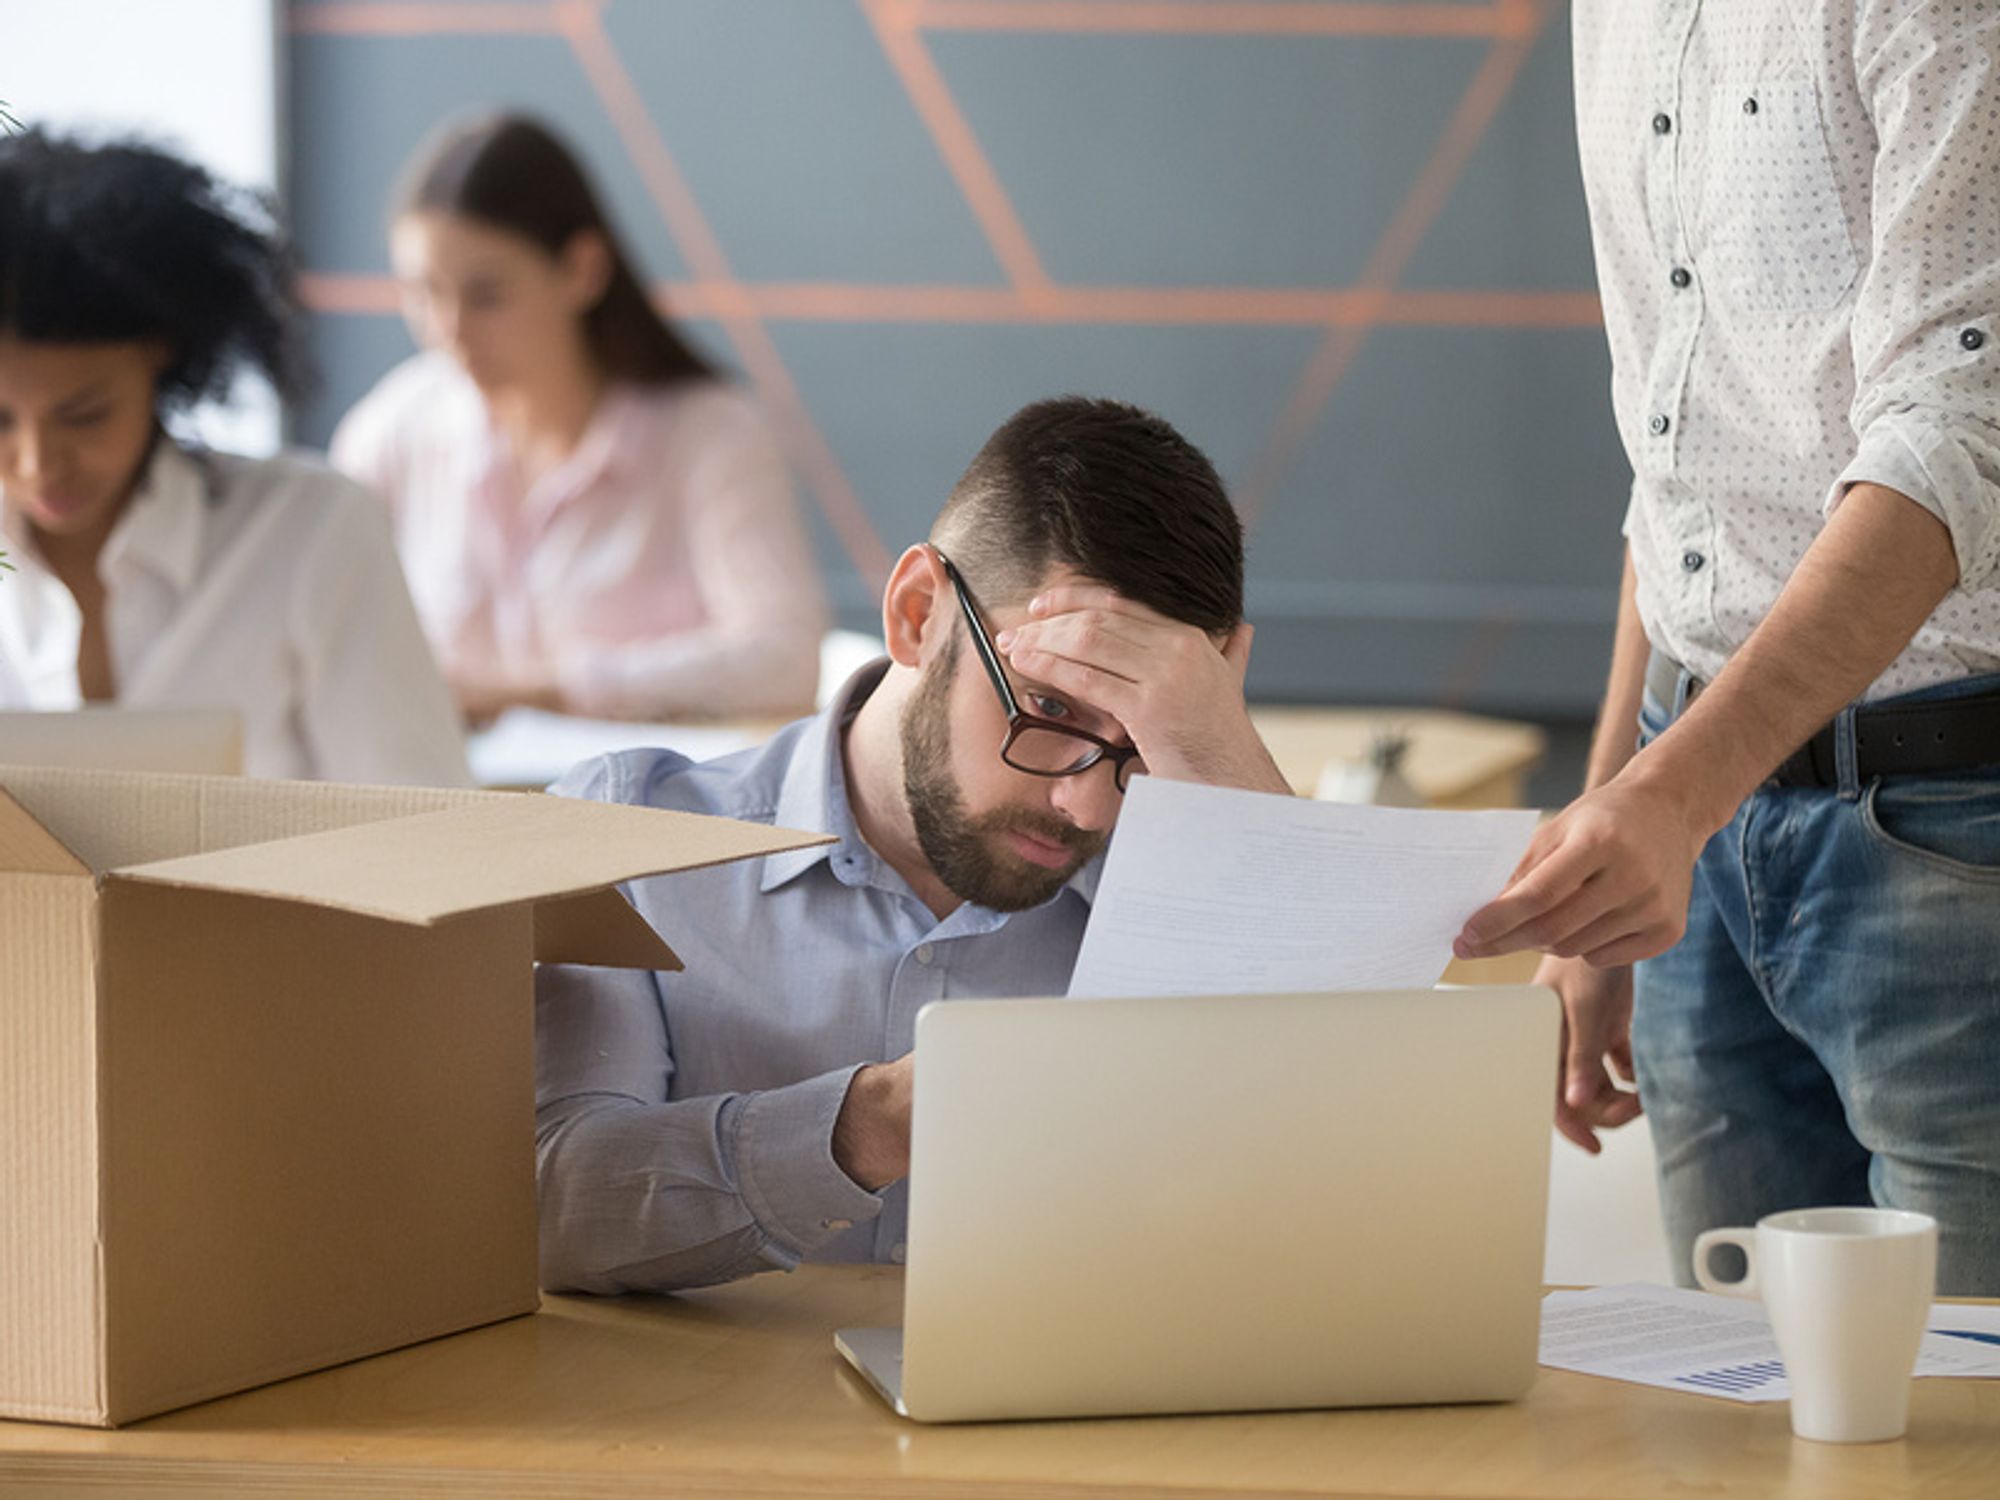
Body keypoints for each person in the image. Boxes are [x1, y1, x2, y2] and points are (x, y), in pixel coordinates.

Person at [1454, 5, 2000, 1293]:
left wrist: (1665, 802)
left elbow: (1956, 442)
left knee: (1957, 1434)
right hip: (1691, 823)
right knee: (1729, 1427)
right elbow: (1680, 477)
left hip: (1948, 840)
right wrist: (1619, 832)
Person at [534, 395, 1291, 1293]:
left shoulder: (1215, 895)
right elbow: (550, 1207)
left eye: (1141, 742)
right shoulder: (632, 842)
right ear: (917, 614)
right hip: (684, 1431)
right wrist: (873, 1123)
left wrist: (1233, 771)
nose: (1087, 807)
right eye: (1048, 709)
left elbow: (1355, 1197)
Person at [0, 131, 470, 786]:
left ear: (161, 350)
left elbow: (429, 833)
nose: (37, 464)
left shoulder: (310, 533)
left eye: (84, 415)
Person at [331, 115, 826, 725]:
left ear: (583, 270)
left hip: (647, 808)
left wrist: (542, 691)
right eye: (423, 292)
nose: (448, 330)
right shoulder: (391, 429)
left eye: (486, 295)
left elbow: (786, 662)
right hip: (436, 804)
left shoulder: (712, 434)